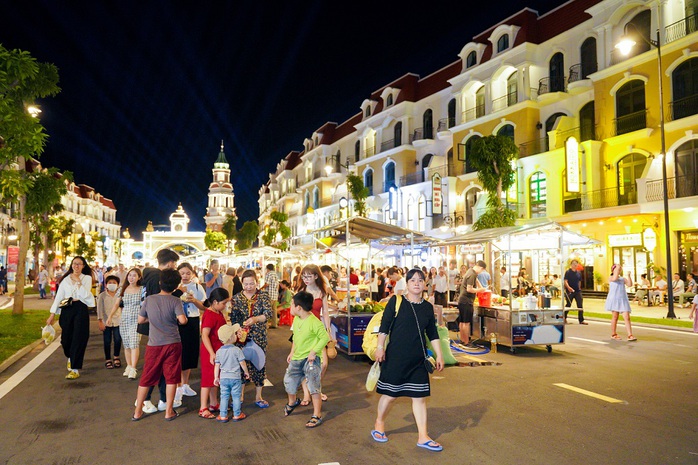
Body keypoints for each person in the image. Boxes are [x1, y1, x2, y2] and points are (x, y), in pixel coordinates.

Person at [372, 268, 444, 451]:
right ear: (407, 283)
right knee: (390, 395)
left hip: (418, 359)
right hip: (396, 357)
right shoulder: (396, 302)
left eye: (421, 280)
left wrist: (439, 355)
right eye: (413, 280)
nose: (417, 283)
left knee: (419, 397)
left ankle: (423, 436)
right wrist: (380, 348)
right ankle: (379, 424)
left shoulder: (428, 308)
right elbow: (384, 327)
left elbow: (432, 333)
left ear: (425, 284)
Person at [132, 269, 188, 421]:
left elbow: (140, 320)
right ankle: (168, 411)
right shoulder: (175, 301)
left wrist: (154, 319)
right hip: (173, 343)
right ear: (176, 287)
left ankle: (138, 411)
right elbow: (182, 320)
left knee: (147, 377)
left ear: (160, 283)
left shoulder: (149, 299)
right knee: (171, 378)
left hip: (154, 344)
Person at [140, 248, 181, 411]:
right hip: (159, 328)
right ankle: (146, 400)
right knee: (156, 367)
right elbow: (161, 302)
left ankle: (162, 399)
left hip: (152, 326)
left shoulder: (149, 275)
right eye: (175, 264)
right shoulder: (158, 277)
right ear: (170, 263)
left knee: (159, 366)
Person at [283, 291, 330, 428]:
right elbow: (296, 337)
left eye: (292, 304)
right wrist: (292, 352)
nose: (290, 306)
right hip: (297, 358)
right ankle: (292, 402)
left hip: (311, 360)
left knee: (314, 387)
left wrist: (314, 352)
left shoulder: (315, 322)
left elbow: (325, 338)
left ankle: (317, 415)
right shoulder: (297, 319)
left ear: (299, 307)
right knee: (289, 382)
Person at [46, 256, 96, 380]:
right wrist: (52, 314)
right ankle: (71, 356)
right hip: (67, 308)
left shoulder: (87, 278)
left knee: (79, 338)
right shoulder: (66, 279)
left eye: (79, 264)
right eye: (74, 264)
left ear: (83, 266)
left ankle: (75, 368)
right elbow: (59, 297)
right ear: (71, 265)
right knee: (65, 340)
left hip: (80, 308)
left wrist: (78, 281)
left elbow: (86, 295)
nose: (76, 266)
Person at [229, 269, 273, 408]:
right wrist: (237, 331)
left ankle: (258, 396)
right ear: (242, 283)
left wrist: (256, 319)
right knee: (240, 365)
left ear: (256, 282)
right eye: (246, 284)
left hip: (259, 336)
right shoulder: (236, 298)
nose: (249, 287)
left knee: (259, 365)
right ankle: (240, 395)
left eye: (252, 283)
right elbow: (233, 319)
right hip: (241, 337)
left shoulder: (263, 296)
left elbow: (268, 314)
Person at [298, 264, 334, 403]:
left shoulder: (321, 292)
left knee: (323, 364)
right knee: (305, 362)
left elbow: (325, 312)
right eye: (304, 276)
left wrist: (328, 330)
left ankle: (315, 387)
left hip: (318, 331)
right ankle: (308, 393)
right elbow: (295, 312)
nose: (306, 279)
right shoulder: (301, 290)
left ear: (316, 276)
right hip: (304, 330)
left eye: (309, 276)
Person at [175, 262, 206, 404]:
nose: (185, 276)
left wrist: (194, 300)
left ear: (192, 274)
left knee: (190, 352)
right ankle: (177, 386)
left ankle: (185, 384)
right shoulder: (174, 287)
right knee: (178, 353)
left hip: (192, 321)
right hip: (177, 322)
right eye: (182, 273)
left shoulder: (197, 287)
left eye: (188, 273)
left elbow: (204, 307)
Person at [198, 287, 230, 419]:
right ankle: (203, 408)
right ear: (215, 302)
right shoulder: (210, 314)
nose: (225, 305)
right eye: (224, 303)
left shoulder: (217, 312)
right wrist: (211, 353)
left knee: (215, 378)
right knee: (207, 379)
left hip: (217, 350)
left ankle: (213, 403)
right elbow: (204, 335)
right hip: (210, 351)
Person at [214, 323, 250, 422]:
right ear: (230, 337)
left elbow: (217, 365)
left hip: (224, 378)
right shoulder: (237, 350)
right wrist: (246, 372)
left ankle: (223, 415)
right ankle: (237, 414)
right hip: (235, 378)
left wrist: (216, 377)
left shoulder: (219, 352)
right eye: (234, 334)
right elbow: (242, 363)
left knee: (224, 396)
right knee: (236, 396)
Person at [457, 260, 486, 347]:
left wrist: (481, 287)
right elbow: (469, 289)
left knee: (462, 322)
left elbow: (476, 282)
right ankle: (466, 342)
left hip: (462, 300)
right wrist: (480, 290)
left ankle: (462, 340)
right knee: (466, 322)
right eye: (482, 270)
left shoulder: (470, 271)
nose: (481, 272)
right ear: (481, 268)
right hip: (466, 301)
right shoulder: (472, 274)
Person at [605, 264, 636, 342]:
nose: (619, 270)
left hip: (623, 299)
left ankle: (630, 335)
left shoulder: (622, 279)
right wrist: (617, 268)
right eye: (617, 269)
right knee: (615, 317)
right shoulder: (611, 278)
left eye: (620, 269)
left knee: (627, 317)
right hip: (614, 299)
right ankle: (613, 334)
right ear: (613, 270)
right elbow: (615, 278)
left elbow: (629, 284)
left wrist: (629, 276)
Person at [97, 275, 122, 370]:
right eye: (110, 283)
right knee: (107, 341)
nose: (112, 284)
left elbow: (122, 307)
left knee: (118, 339)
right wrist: (100, 321)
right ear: (106, 284)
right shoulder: (102, 295)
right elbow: (99, 309)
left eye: (114, 283)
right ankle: (108, 359)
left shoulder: (120, 295)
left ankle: (116, 357)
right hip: (106, 321)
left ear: (118, 285)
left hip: (118, 321)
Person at [564, 260, 586, 324]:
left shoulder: (578, 273)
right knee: (568, 304)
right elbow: (565, 281)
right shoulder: (568, 272)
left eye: (576, 264)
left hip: (577, 291)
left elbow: (579, 281)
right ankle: (564, 317)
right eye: (573, 264)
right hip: (569, 291)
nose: (575, 265)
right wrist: (568, 287)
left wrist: (579, 288)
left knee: (580, 305)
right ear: (571, 265)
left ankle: (581, 320)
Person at [263, 263, 280, 328]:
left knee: (267, 310)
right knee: (274, 310)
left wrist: (261, 288)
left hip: (269, 295)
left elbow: (267, 284)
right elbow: (277, 285)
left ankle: (266, 325)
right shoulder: (276, 274)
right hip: (275, 295)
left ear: (268, 268)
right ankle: (274, 324)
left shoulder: (269, 274)